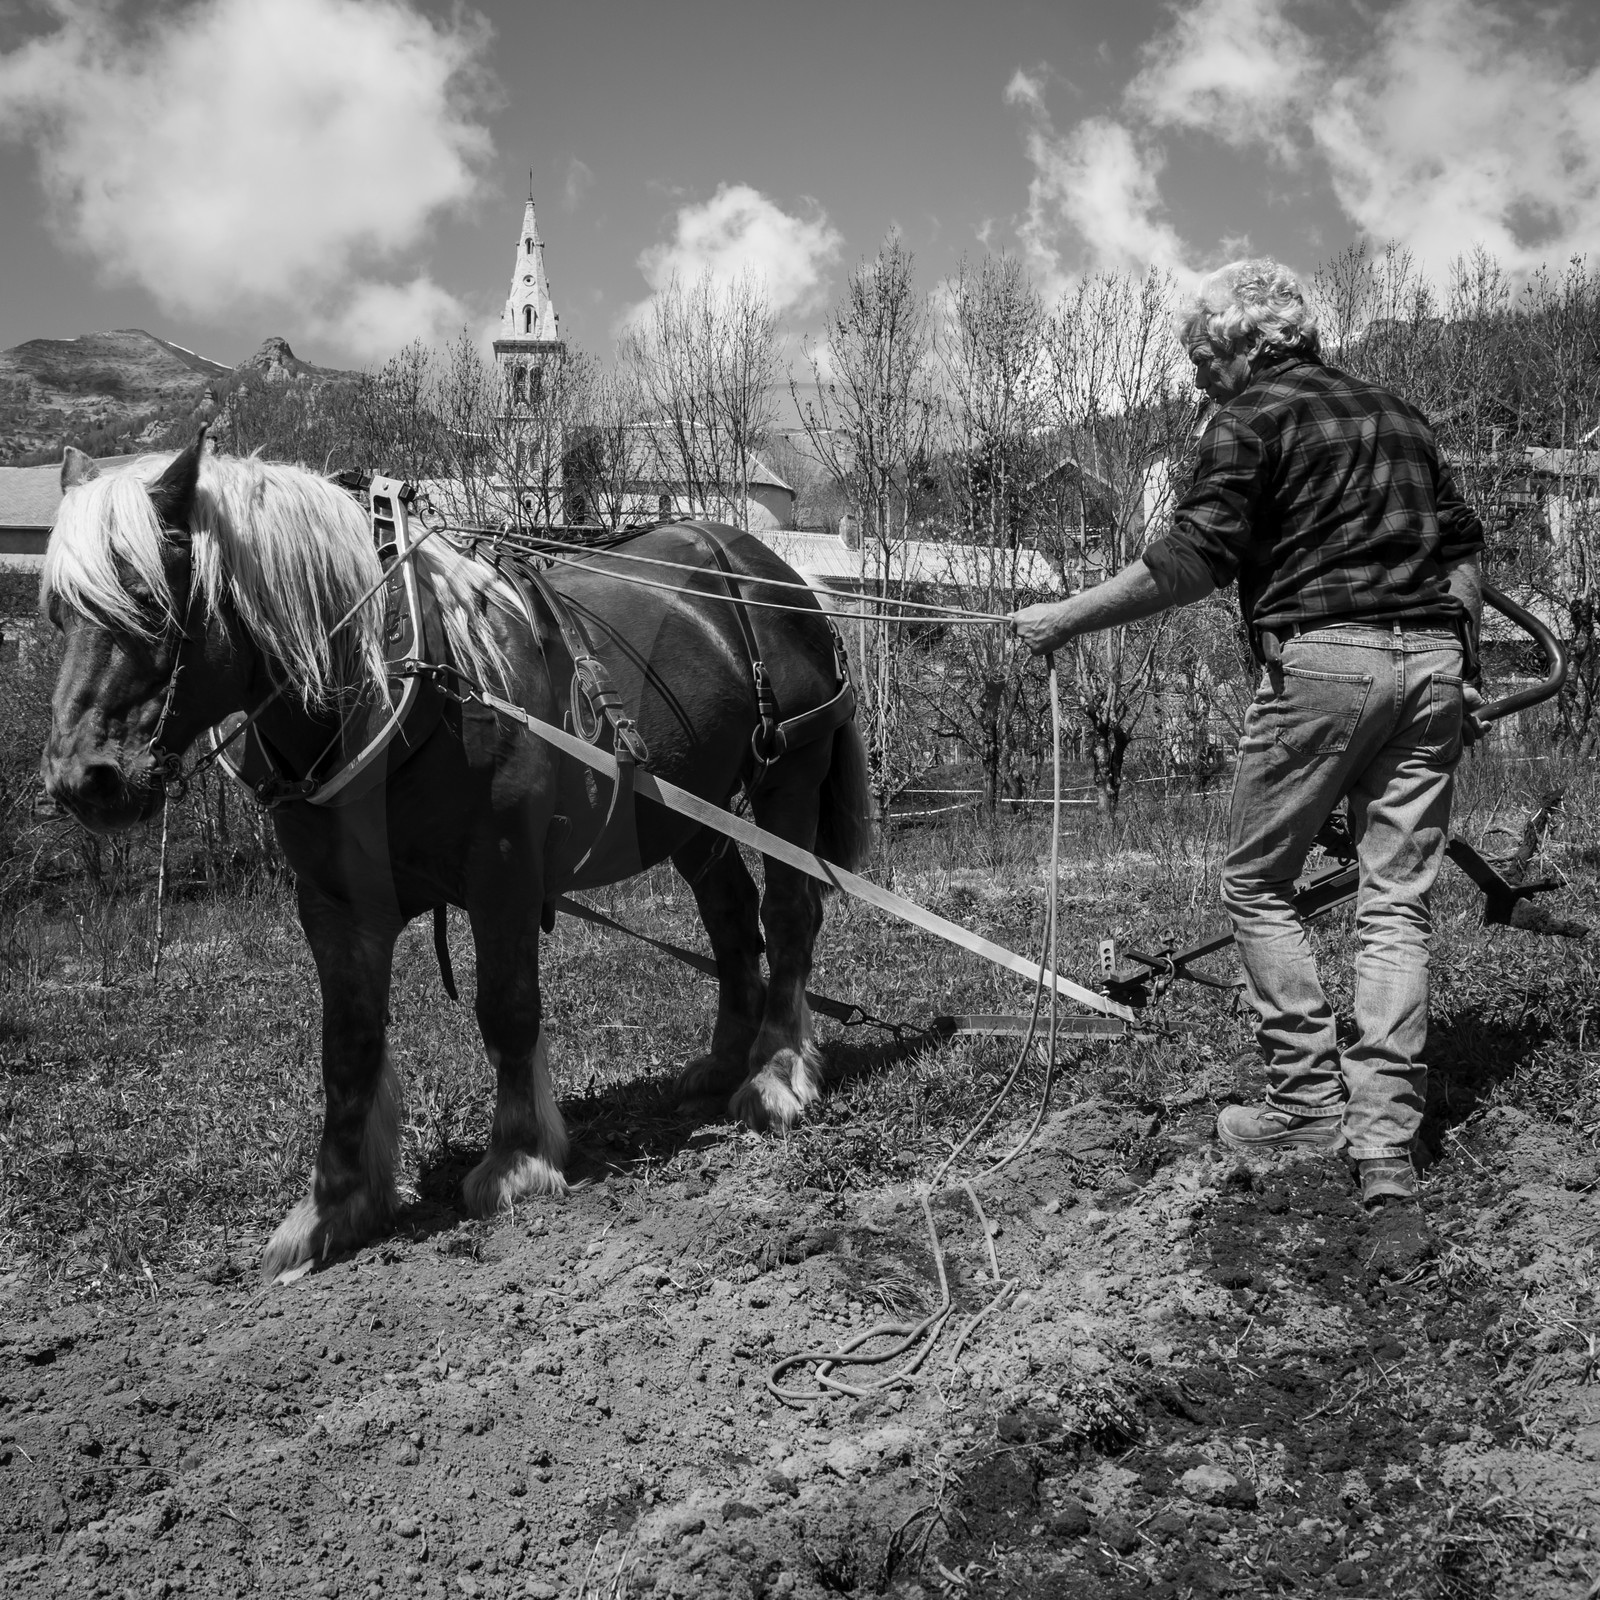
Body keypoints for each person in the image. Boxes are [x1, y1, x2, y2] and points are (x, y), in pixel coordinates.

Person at [1010, 259, 1483, 1209]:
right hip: (1433, 669)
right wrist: (1463, 657)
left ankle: (1306, 1103)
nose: (1193, 378)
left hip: (1325, 668)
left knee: (1256, 883)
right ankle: (1386, 1134)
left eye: (1198, 356)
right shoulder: (1399, 412)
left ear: (1239, 345)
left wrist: (1065, 617)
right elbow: (1465, 547)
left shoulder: (1250, 418)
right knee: (1396, 903)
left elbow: (1193, 559)